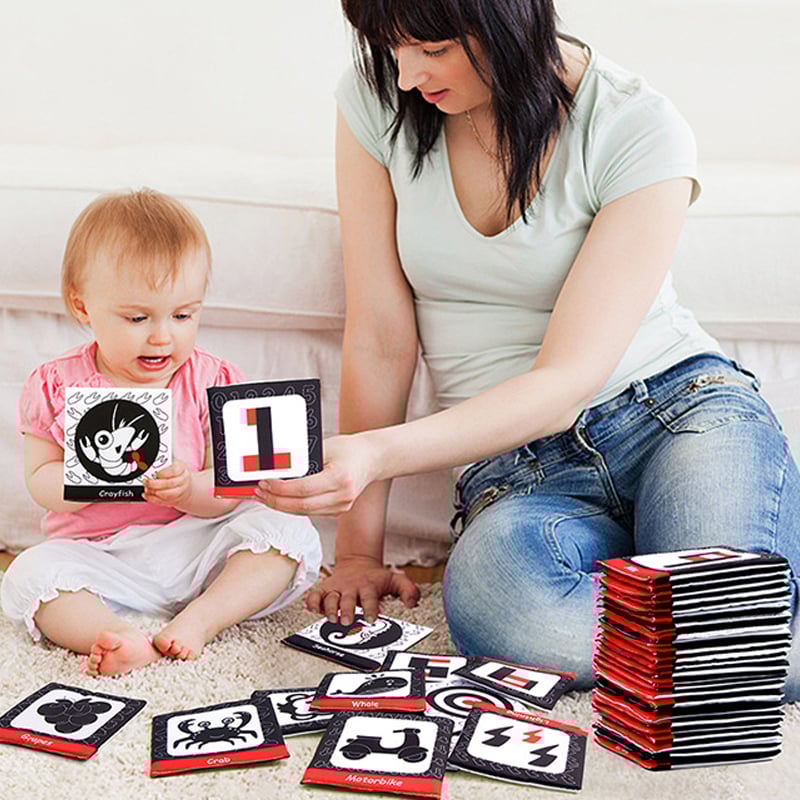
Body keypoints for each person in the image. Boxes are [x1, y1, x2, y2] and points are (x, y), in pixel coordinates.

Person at [254, 0, 800, 701]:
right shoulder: (377, 100)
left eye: (433, 49)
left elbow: (566, 382)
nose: (408, 75)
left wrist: (378, 452)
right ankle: (731, 635)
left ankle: (723, 622)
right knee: (506, 609)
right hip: (520, 473)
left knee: (717, 605)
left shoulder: (637, 125)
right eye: (392, 47)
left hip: (677, 415)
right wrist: (358, 551)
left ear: (509, 18)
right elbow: (381, 337)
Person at [1, 189, 322, 677]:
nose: (162, 336)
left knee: (287, 530)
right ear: (83, 306)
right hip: (101, 556)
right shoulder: (55, 384)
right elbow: (38, 478)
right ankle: (118, 636)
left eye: (183, 315)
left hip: (196, 543)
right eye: (137, 318)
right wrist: (88, 480)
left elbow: (230, 489)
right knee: (28, 575)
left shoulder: (215, 380)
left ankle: (200, 621)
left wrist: (190, 489)